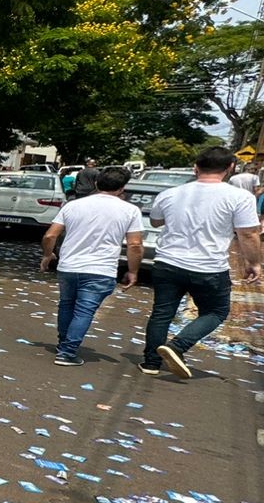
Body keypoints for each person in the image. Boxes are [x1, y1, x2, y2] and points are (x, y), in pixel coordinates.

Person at [140, 146, 263, 378]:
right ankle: (178, 346)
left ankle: (150, 363)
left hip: (167, 263)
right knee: (216, 311)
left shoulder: (170, 194)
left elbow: (156, 222)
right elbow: (248, 234)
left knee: (162, 313)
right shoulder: (240, 197)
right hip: (209, 268)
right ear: (230, 168)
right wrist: (253, 263)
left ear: (196, 167)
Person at [39, 166, 142, 367]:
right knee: (84, 310)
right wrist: (133, 271)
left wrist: (47, 255)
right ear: (122, 188)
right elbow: (135, 244)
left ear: (96, 183)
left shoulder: (73, 206)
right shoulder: (130, 211)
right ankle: (67, 352)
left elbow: (50, 235)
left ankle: (64, 344)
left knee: (67, 304)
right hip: (100, 270)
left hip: (68, 266)